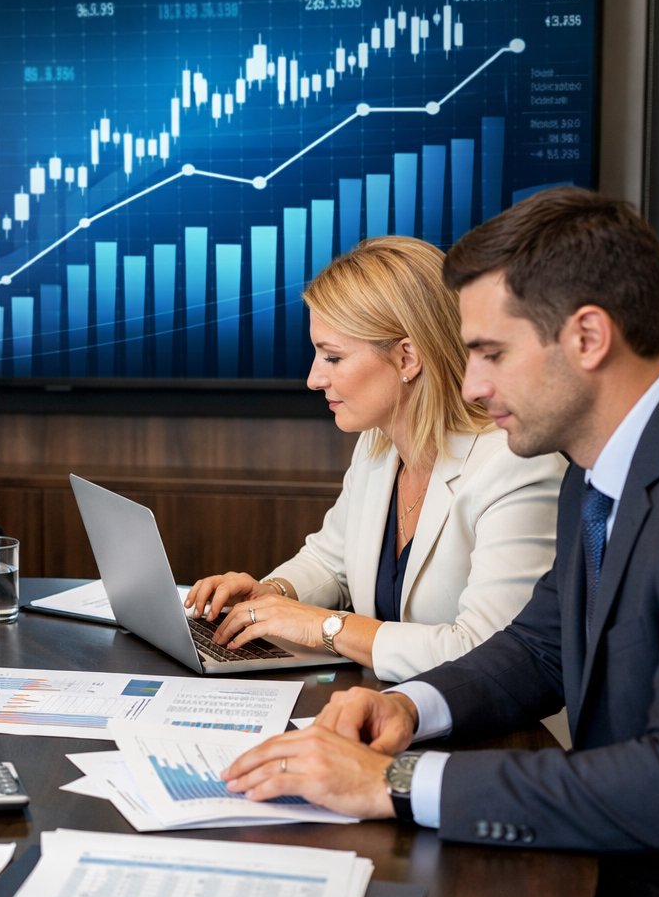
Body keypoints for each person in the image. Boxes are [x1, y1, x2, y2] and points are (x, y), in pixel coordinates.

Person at [222, 188, 659, 897]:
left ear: (588, 337)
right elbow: (537, 646)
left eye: (491, 351)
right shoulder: (597, 469)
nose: (474, 381)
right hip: (614, 873)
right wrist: (410, 709)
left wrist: (393, 783)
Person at [185, 237, 564, 681]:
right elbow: (331, 562)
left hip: (495, 734)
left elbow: (487, 651)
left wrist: (324, 626)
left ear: (407, 356)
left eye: (333, 356)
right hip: (386, 709)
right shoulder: (378, 443)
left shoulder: (517, 464)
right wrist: (271, 594)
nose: (313, 378)